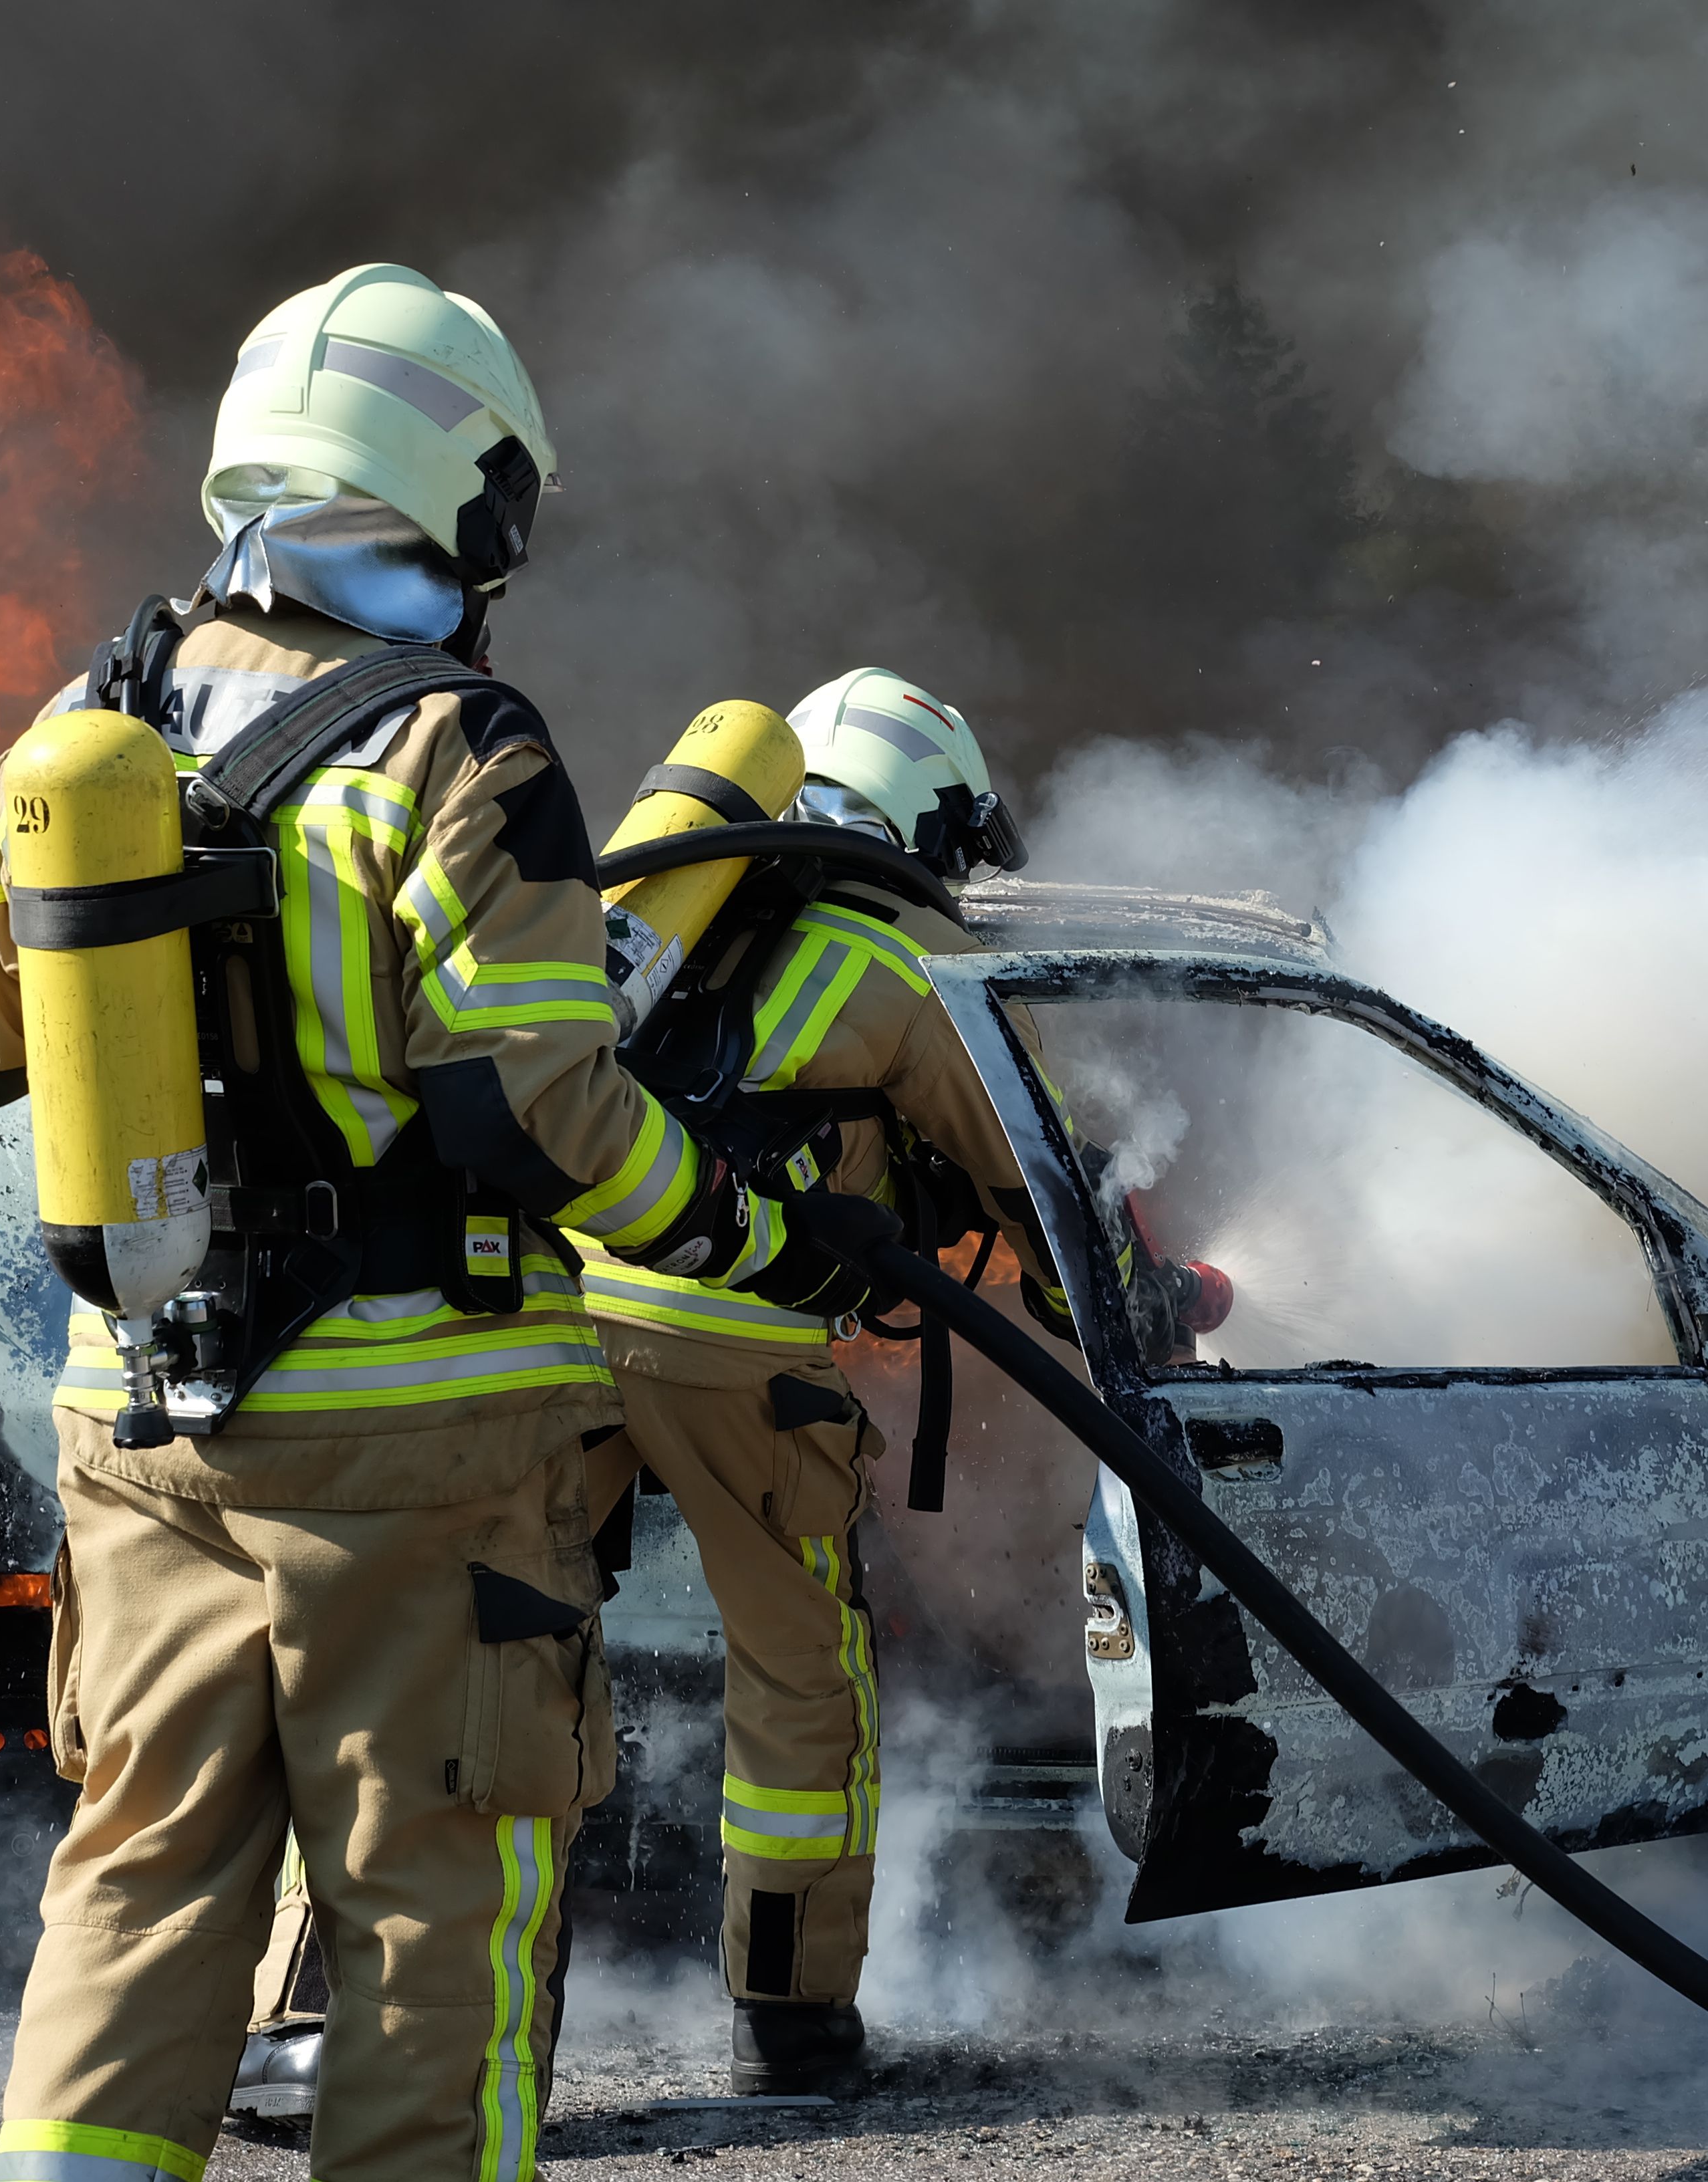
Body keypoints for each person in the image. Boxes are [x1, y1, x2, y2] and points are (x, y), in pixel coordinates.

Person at [0, 263, 828, 2182]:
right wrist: (734, 1231)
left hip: (140, 1423)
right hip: (411, 1448)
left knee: (140, 1891)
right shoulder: (456, 749)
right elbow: (540, 1102)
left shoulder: (96, 716)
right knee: (431, 1926)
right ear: (463, 493)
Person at [229, 668, 1175, 2109]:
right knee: (802, 1681)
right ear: (920, 815)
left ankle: (325, 2017)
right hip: (739, 1352)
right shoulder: (884, 978)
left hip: (562, 1323)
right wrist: (1118, 1320)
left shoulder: (637, 928)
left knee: (470, 1664)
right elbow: (1033, 1188)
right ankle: (792, 2033)